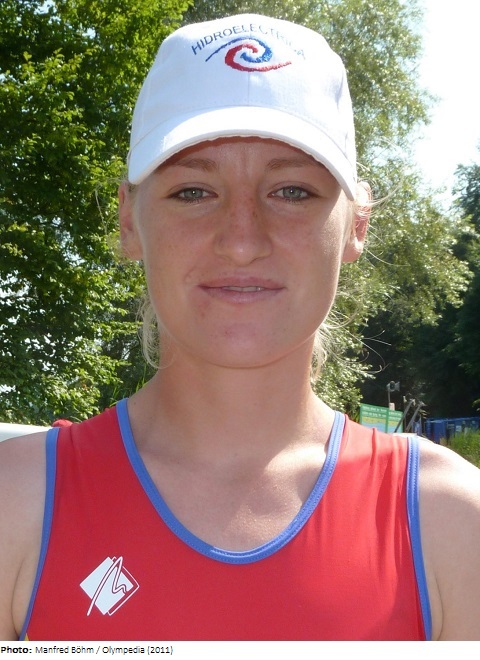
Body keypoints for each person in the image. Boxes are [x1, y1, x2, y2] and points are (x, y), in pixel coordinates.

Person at [0, 12, 479, 642]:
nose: (243, 240)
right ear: (128, 221)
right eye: (193, 192)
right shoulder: (16, 506)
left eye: (293, 191)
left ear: (356, 224)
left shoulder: (453, 524)